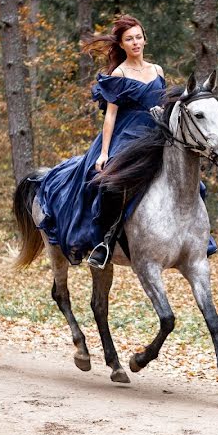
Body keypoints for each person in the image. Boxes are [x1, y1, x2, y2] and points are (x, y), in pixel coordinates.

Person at [36, 15, 167, 268]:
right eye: (129, 39)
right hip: (125, 138)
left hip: (155, 137)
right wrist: (104, 152)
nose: (135, 42)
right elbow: (110, 116)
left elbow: (163, 105)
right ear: (121, 44)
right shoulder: (119, 73)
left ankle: (194, 236)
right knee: (109, 185)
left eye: (138, 37)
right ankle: (104, 243)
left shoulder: (158, 70)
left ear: (145, 39)